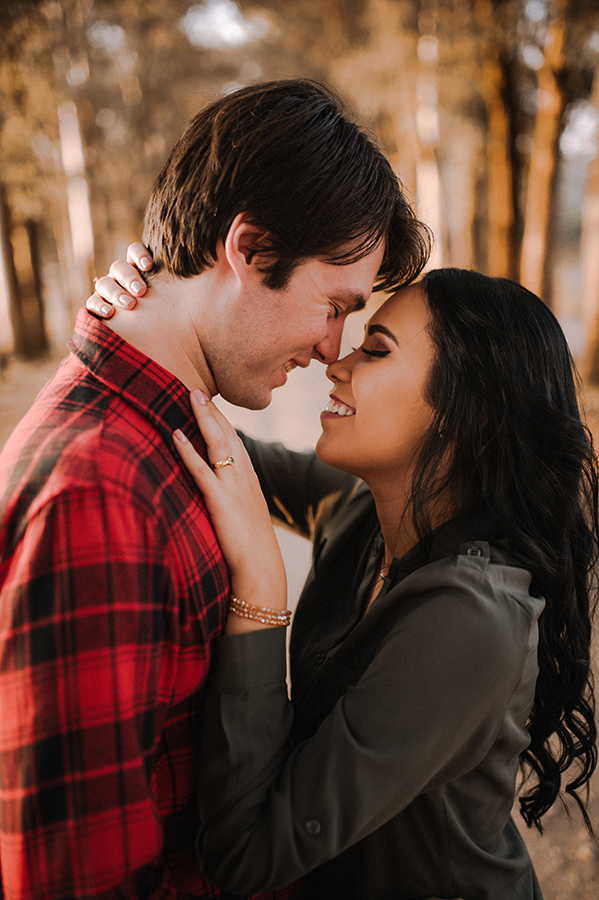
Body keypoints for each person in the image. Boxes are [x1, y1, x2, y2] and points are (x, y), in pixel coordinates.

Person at [0, 80, 430, 900]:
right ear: (248, 246)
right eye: (333, 306)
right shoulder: (98, 496)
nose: (329, 349)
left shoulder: (175, 437)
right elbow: (75, 878)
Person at [104, 264, 598, 898]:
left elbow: (245, 856)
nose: (335, 364)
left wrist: (260, 587)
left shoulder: (472, 621)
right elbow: (219, 449)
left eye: (376, 350)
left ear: (466, 412)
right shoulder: (371, 515)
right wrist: (143, 320)